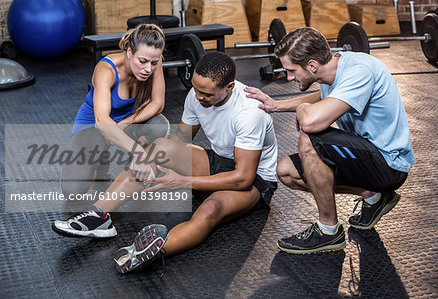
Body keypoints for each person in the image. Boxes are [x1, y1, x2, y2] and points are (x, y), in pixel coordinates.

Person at [52, 51, 278, 274]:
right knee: (158, 147)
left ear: (229, 87)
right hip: (218, 161)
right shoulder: (198, 94)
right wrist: (157, 162)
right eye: (195, 89)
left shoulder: (249, 113)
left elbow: (243, 178)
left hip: (253, 179)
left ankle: (151, 251)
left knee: (211, 209)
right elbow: (181, 139)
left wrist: (182, 182)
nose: (198, 97)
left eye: (206, 94)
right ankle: (98, 216)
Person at [245, 27, 415, 254]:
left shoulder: (359, 71)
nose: (289, 77)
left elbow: (311, 123)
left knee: (309, 137)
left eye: (292, 71)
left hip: (389, 164)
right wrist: (277, 106)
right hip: (366, 159)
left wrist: (305, 110)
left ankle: (328, 231)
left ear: (312, 66)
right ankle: (373, 196)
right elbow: (324, 96)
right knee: (286, 171)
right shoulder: (332, 71)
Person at [59, 24, 170, 201]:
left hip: (127, 122)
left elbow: (158, 104)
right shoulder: (106, 69)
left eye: (154, 63)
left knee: (158, 125)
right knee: (72, 190)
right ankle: (99, 161)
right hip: (93, 125)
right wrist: (138, 152)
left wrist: (125, 123)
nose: (148, 68)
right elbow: (101, 120)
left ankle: (130, 171)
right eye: (142, 61)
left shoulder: (153, 61)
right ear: (129, 52)